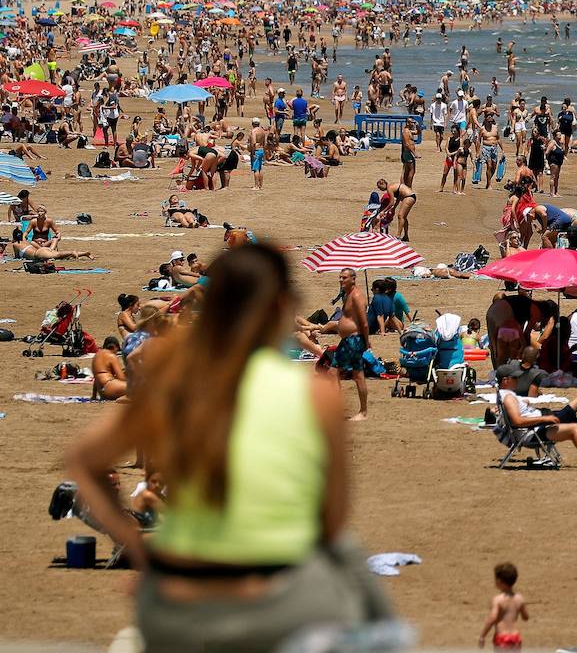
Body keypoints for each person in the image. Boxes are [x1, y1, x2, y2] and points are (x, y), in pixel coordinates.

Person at [64, 245, 390, 652]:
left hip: (180, 598)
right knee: (356, 582)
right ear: (281, 307)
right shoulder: (312, 394)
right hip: (277, 597)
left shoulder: (173, 371)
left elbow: (82, 460)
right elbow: (333, 513)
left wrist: (135, 546)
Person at [495, 370, 577, 472]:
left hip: (536, 428)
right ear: (505, 381)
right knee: (574, 428)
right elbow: (517, 421)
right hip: (532, 433)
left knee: (574, 425)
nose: (518, 380)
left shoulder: (506, 395)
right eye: (515, 378)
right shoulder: (508, 398)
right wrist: (544, 419)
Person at [317, 268, 370, 420]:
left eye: (344, 278)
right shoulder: (348, 295)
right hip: (346, 341)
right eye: (340, 277)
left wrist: (366, 342)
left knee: (357, 375)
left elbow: (364, 323)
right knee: (333, 372)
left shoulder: (357, 296)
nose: (341, 280)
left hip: (354, 340)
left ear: (353, 279)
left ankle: (363, 412)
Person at [479, 562, 529, 649]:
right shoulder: (519, 598)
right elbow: (526, 617)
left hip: (502, 638)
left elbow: (492, 619)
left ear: (499, 581)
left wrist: (482, 636)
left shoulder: (497, 600)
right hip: (515, 638)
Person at [92, 335, 128, 402]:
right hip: (109, 385)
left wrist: (94, 395)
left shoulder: (97, 356)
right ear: (115, 347)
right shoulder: (111, 356)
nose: (116, 353)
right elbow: (121, 378)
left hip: (102, 391)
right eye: (117, 350)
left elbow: (97, 378)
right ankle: (123, 398)